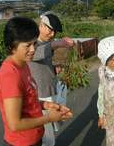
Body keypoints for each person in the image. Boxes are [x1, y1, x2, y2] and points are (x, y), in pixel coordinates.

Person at [0, 17, 73, 146]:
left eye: (34, 44)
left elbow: (27, 99)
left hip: (34, 137)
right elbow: (15, 124)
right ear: (12, 46)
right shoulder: (10, 75)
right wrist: (48, 118)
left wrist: (45, 105)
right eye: (27, 45)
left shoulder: (23, 65)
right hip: (22, 142)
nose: (32, 49)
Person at [28, 12, 74, 146]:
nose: (52, 34)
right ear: (41, 25)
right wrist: (59, 43)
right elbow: (37, 54)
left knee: (49, 128)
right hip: (39, 95)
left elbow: (41, 62)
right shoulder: (32, 43)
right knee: (46, 133)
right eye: (50, 29)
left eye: (55, 32)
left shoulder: (47, 42)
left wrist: (54, 68)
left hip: (49, 91)